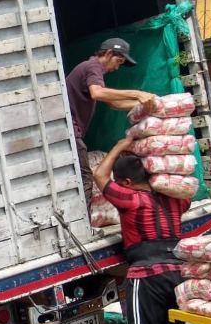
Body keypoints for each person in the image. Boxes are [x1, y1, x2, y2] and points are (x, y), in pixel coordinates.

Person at [94, 138, 191, 324]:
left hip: (146, 274)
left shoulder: (132, 199)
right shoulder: (176, 200)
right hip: (177, 271)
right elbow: (183, 188)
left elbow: (100, 175)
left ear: (126, 182)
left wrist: (120, 145)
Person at [66, 38, 156, 205]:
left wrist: (145, 104)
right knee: (84, 177)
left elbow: (114, 104)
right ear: (108, 53)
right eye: (118, 61)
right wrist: (136, 94)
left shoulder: (93, 70)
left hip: (72, 132)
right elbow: (97, 93)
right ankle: (83, 219)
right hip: (70, 131)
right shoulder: (93, 67)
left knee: (77, 175)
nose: (117, 67)